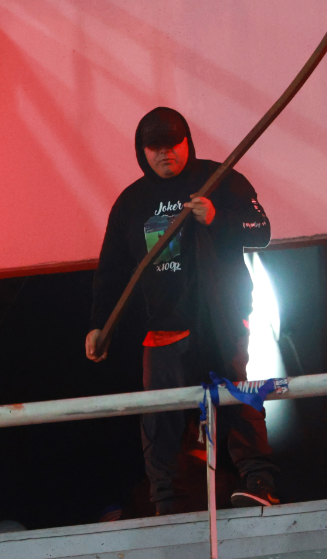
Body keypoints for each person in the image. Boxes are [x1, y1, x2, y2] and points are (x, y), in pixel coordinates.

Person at [86, 107, 279, 511]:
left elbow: (261, 230)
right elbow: (111, 272)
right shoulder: (130, 203)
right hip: (164, 328)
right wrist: (99, 326)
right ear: (142, 151)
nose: (165, 154)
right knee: (160, 418)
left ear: (187, 141)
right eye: (154, 147)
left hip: (221, 319)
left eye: (172, 144)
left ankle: (259, 482)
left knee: (237, 400)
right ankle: (165, 500)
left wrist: (216, 217)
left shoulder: (219, 179)